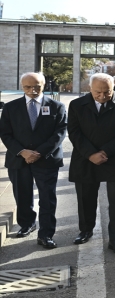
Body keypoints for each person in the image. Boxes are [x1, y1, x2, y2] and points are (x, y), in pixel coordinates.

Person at [67, 73, 115, 254]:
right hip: (85, 157)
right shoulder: (76, 105)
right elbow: (74, 133)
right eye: (98, 92)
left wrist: (105, 152)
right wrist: (90, 154)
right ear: (89, 88)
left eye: (108, 92)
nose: (103, 96)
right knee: (85, 197)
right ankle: (86, 230)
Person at [0, 72, 67, 249]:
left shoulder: (56, 106)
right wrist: (22, 152)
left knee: (47, 198)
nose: (32, 90)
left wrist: (38, 152)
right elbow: (5, 134)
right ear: (22, 86)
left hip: (46, 159)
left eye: (36, 86)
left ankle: (46, 234)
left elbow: (59, 133)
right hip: (18, 159)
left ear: (44, 85)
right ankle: (27, 223)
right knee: (22, 195)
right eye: (27, 87)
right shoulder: (10, 107)